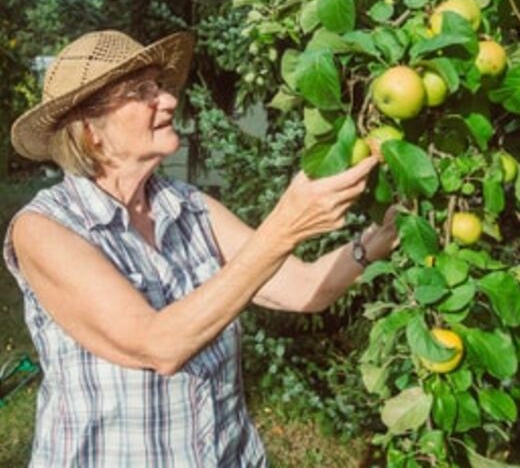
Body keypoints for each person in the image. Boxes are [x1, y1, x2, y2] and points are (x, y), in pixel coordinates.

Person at [4, 29, 398, 467]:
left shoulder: (188, 206)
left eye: (160, 86)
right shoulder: (46, 229)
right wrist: (283, 226)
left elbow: (305, 288)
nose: (169, 100)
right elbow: (158, 345)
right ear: (91, 129)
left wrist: (376, 242)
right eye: (141, 92)